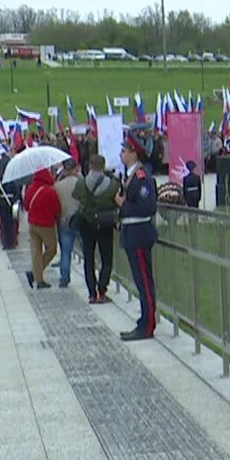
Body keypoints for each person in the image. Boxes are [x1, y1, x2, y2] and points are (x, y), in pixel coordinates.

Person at [116, 136, 159, 341]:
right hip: (132, 233)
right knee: (141, 281)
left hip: (139, 233)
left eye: (124, 151)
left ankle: (148, 324)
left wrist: (122, 204)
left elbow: (147, 206)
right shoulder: (131, 175)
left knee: (144, 282)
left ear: (133, 152)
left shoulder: (142, 177)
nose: (121, 154)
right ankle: (144, 319)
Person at [74, 159, 119, 303]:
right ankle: (102, 289)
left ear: (90, 166)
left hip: (86, 224)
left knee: (89, 259)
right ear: (103, 166)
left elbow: (76, 197)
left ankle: (92, 293)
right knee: (106, 259)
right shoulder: (111, 184)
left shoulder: (81, 183)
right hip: (105, 224)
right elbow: (116, 200)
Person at [22, 168, 60, 289]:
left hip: (32, 224)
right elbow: (56, 209)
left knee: (36, 252)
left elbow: (26, 206)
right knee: (52, 249)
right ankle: (34, 274)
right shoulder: (50, 191)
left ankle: (38, 279)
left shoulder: (30, 189)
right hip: (46, 224)